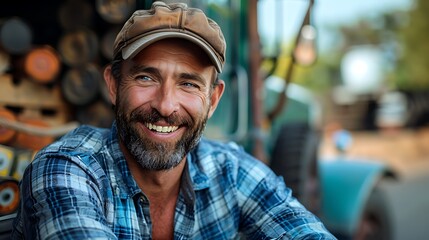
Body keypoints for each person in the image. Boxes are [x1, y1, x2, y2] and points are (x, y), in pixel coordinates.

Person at [12, 1, 336, 239]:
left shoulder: (230, 171)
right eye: (145, 78)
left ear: (213, 100)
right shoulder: (66, 168)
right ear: (112, 84)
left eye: (189, 84)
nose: (166, 106)